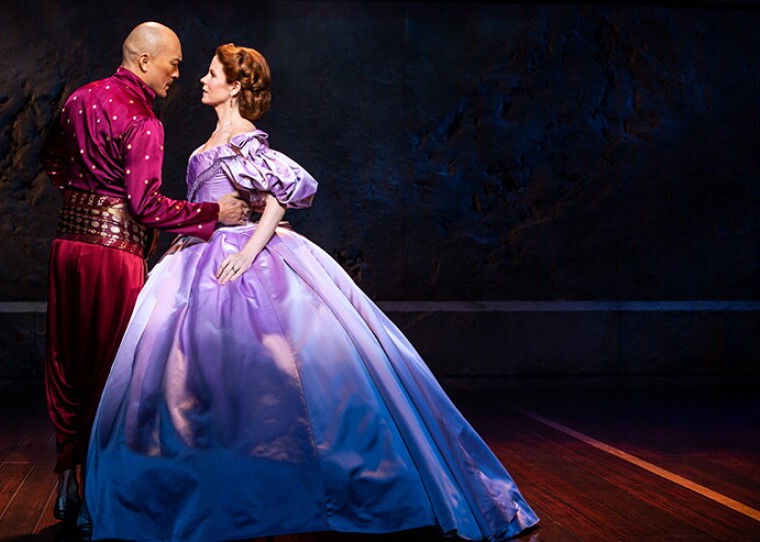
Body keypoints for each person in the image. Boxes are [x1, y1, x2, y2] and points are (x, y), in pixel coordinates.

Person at [84, 43, 540, 541]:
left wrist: (249, 249)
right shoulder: (212, 140)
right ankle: (212, 484)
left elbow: (285, 192)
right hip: (197, 251)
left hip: (236, 249)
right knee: (187, 375)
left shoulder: (241, 143)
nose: (202, 79)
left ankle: (280, 485)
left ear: (235, 86)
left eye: (212, 74)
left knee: (269, 368)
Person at [39, 23, 248, 523]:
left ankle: (68, 482)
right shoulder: (144, 120)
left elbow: (52, 161)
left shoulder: (78, 100)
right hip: (114, 260)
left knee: (67, 365)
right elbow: (147, 205)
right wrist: (212, 213)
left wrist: (87, 196)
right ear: (143, 62)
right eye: (173, 63)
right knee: (112, 373)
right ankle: (97, 500)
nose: (179, 74)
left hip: (67, 249)